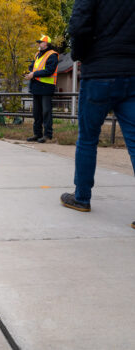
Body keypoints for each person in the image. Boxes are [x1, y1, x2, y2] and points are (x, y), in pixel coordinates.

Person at [60, 0, 135, 231]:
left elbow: (79, 25)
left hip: (99, 71)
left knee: (88, 138)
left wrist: (81, 55)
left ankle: (82, 197)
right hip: (132, 72)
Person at [25, 35, 59, 143]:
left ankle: (47, 135)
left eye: (40, 42)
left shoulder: (52, 55)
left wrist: (34, 74)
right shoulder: (37, 54)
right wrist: (29, 72)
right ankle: (37, 134)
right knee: (36, 113)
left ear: (46, 44)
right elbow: (32, 66)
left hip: (46, 87)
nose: (39, 44)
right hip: (36, 86)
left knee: (46, 112)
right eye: (39, 42)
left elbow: (49, 70)